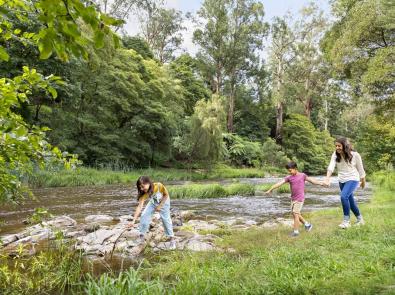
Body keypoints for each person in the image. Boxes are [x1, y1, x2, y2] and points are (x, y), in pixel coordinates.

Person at [265, 161, 325, 237]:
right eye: (288, 171)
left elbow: (312, 181)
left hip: (300, 198)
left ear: (295, 168)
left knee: (295, 214)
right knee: (296, 213)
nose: (289, 172)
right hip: (293, 198)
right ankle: (307, 224)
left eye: (290, 170)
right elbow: (279, 183)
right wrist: (271, 189)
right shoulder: (289, 177)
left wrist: (321, 183)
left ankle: (296, 232)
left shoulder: (302, 175)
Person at [323, 137, 366, 229]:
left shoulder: (355, 155)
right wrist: (327, 179)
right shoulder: (335, 154)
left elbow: (361, 169)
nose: (337, 148)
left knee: (343, 196)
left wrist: (363, 181)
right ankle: (360, 220)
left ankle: (346, 221)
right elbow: (331, 167)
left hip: (353, 179)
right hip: (341, 179)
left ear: (344, 146)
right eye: (336, 146)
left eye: (339, 146)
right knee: (350, 200)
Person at [129, 176, 176, 249]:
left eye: (142, 186)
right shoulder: (143, 193)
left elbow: (166, 195)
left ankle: (172, 240)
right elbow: (139, 207)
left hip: (164, 202)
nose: (141, 189)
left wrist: (160, 206)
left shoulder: (159, 186)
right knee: (144, 215)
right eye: (140, 187)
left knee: (166, 220)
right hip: (153, 202)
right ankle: (142, 236)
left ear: (148, 183)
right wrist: (133, 221)